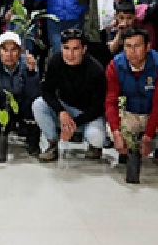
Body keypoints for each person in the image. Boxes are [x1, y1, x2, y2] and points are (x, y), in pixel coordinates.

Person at [105, 28, 158, 183]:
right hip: (131, 114)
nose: (132, 51)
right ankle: (129, 150)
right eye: (128, 46)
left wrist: (148, 136)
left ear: (148, 47)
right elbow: (111, 101)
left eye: (137, 46)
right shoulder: (115, 66)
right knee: (111, 125)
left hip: (155, 116)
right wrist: (116, 133)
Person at [33, 28, 106, 162]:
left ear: (84, 49)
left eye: (75, 49)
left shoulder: (96, 70)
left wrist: (74, 124)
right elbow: (47, 90)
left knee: (97, 138)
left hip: (88, 115)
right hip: (65, 110)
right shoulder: (55, 62)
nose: (70, 54)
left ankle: (93, 146)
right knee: (38, 105)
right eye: (66, 48)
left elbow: (98, 107)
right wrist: (61, 111)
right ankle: (52, 144)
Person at [0, 32, 41, 156]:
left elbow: (34, 95)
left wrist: (32, 74)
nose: (9, 55)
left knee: (35, 106)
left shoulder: (29, 64)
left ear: (20, 51)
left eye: (14, 50)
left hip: (23, 107)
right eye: (5, 50)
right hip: (3, 107)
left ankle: (33, 141)